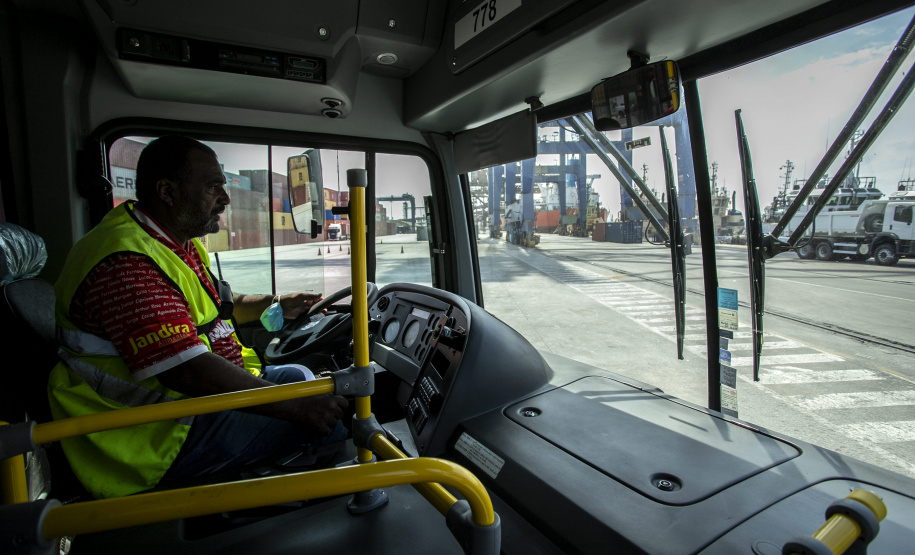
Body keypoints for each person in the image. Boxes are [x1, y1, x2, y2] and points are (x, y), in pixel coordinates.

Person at [48, 135, 348, 499]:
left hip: (192, 407)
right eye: (213, 187)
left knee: (301, 377)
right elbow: (186, 370)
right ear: (167, 191)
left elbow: (219, 306)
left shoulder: (172, 241)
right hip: (153, 437)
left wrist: (278, 303)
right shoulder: (126, 263)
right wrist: (296, 407)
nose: (225, 198)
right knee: (329, 421)